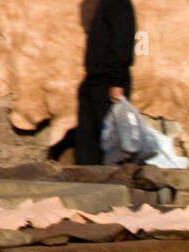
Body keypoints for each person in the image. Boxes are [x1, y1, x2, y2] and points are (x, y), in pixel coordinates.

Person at [74, 0, 136, 166]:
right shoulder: (105, 4)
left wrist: (117, 82)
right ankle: (87, 187)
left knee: (109, 148)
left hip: (108, 83)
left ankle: (110, 186)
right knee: (87, 143)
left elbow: (123, 43)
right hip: (95, 80)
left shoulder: (118, 4)